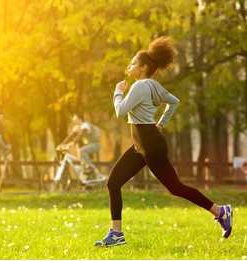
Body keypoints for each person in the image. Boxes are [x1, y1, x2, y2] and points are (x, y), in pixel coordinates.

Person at [94, 36, 233, 247]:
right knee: (113, 183)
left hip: (150, 146)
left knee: (175, 187)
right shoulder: (152, 85)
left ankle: (220, 211)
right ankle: (116, 234)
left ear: (142, 67)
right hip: (143, 145)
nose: (128, 66)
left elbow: (120, 111)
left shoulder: (140, 87)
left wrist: (117, 92)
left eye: (132, 63)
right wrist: (161, 124)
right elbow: (173, 101)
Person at [59, 114, 105, 179]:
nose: (74, 121)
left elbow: (81, 134)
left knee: (81, 151)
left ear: (80, 119)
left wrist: (73, 143)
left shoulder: (85, 125)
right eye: (73, 120)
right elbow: (70, 136)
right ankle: (87, 182)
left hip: (95, 145)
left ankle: (90, 167)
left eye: (75, 119)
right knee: (82, 164)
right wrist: (62, 144)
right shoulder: (77, 128)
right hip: (89, 146)